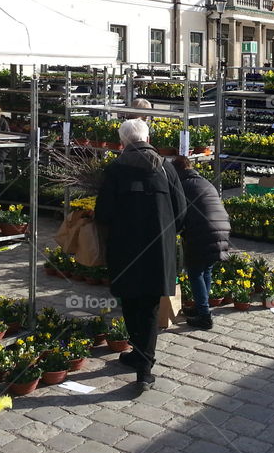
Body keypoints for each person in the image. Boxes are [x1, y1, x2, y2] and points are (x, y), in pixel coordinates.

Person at [95, 119, 186, 392]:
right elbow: (181, 211)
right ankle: (141, 358)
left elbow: (103, 214)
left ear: (123, 142)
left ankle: (144, 368)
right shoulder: (167, 169)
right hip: (158, 249)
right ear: (147, 138)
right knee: (148, 306)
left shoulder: (115, 170)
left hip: (125, 249)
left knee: (132, 302)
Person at [171, 156, 230, 330]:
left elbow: (179, 213)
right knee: (206, 269)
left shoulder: (182, 185)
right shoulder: (204, 181)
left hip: (203, 231)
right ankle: (200, 307)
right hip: (222, 227)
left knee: (195, 270)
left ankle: (204, 316)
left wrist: (175, 230)